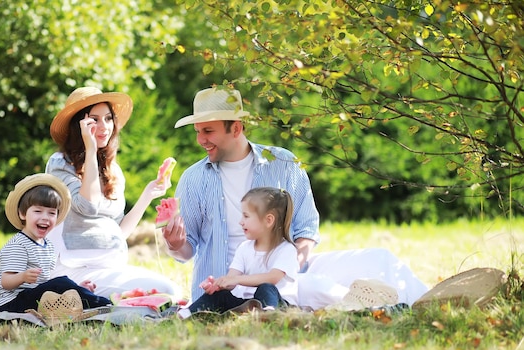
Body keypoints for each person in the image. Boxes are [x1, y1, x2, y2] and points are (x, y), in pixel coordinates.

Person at [163, 87, 429, 307]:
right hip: (226, 289)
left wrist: (287, 270)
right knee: (320, 291)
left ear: (236, 128)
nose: (200, 140)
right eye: (197, 131)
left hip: (289, 275)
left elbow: (306, 229)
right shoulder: (194, 179)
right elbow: (187, 251)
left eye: (208, 131)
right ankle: (361, 305)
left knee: (378, 259)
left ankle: (424, 303)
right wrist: (175, 244)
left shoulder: (284, 164)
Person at [45, 86, 181, 299]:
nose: (104, 126)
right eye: (95, 120)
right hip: (73, 271)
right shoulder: (59, 164)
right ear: (78, 125)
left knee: (170, 290)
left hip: (109, 269)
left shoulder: (113, 170)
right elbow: (88, 205)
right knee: (162, 295)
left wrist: (147, 195)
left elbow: (119, 233)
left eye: (108, 119)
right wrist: (90, 149)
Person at [0, 173, 112, 313]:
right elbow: (5, 282)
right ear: (22, 214)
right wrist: (22, 277)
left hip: (36, 298)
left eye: (51, 213)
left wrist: (75, 288)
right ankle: (100, 303)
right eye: (38, 211)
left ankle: (81, 295)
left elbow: (46, 285)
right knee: (61, 282)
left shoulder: (48, 246)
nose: (45, 218)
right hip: (13, 303)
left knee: (61, 284)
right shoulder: (18, 245)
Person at [178, 187, 300, 318]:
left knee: (266, 288)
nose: (241, 222)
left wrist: (237, 279)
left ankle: (268, 316)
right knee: (220, 296)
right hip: (248, 304)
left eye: (246, 216)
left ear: (269, 220)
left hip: (279, 304)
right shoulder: (244, 248)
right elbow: (232, 279)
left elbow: (272, 278)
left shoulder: (286, 249)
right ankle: (186, 314)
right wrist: (218, 285)